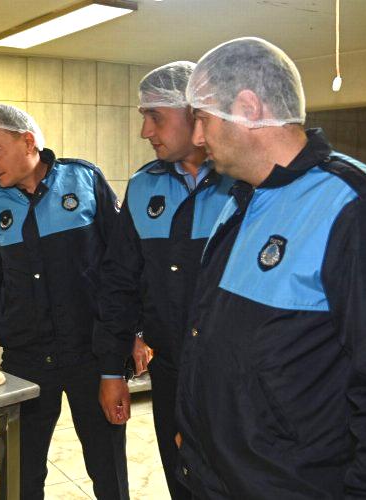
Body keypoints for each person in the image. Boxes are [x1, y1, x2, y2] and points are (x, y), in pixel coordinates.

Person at [176, 37, 366, 498]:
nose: (196, 138)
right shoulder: (240, 199)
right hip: (218, 478)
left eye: (202, 119)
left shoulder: (357, 208)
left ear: (249, 107)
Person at [0, 104, 129, 500]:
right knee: (22, 472)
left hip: (90, 354)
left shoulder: (84, 179)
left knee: (108, 466)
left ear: (27, 141)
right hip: (26, 357)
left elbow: (120, 267)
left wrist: (133, 335)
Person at [92, 61, 233, 500]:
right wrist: (111, 369)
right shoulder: (144, 187)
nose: (145, 131)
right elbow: (119, 283)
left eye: (155, 116)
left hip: (231, 377)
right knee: (181, 479)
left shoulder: (243, 185)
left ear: (196, 113)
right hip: (169, 371)